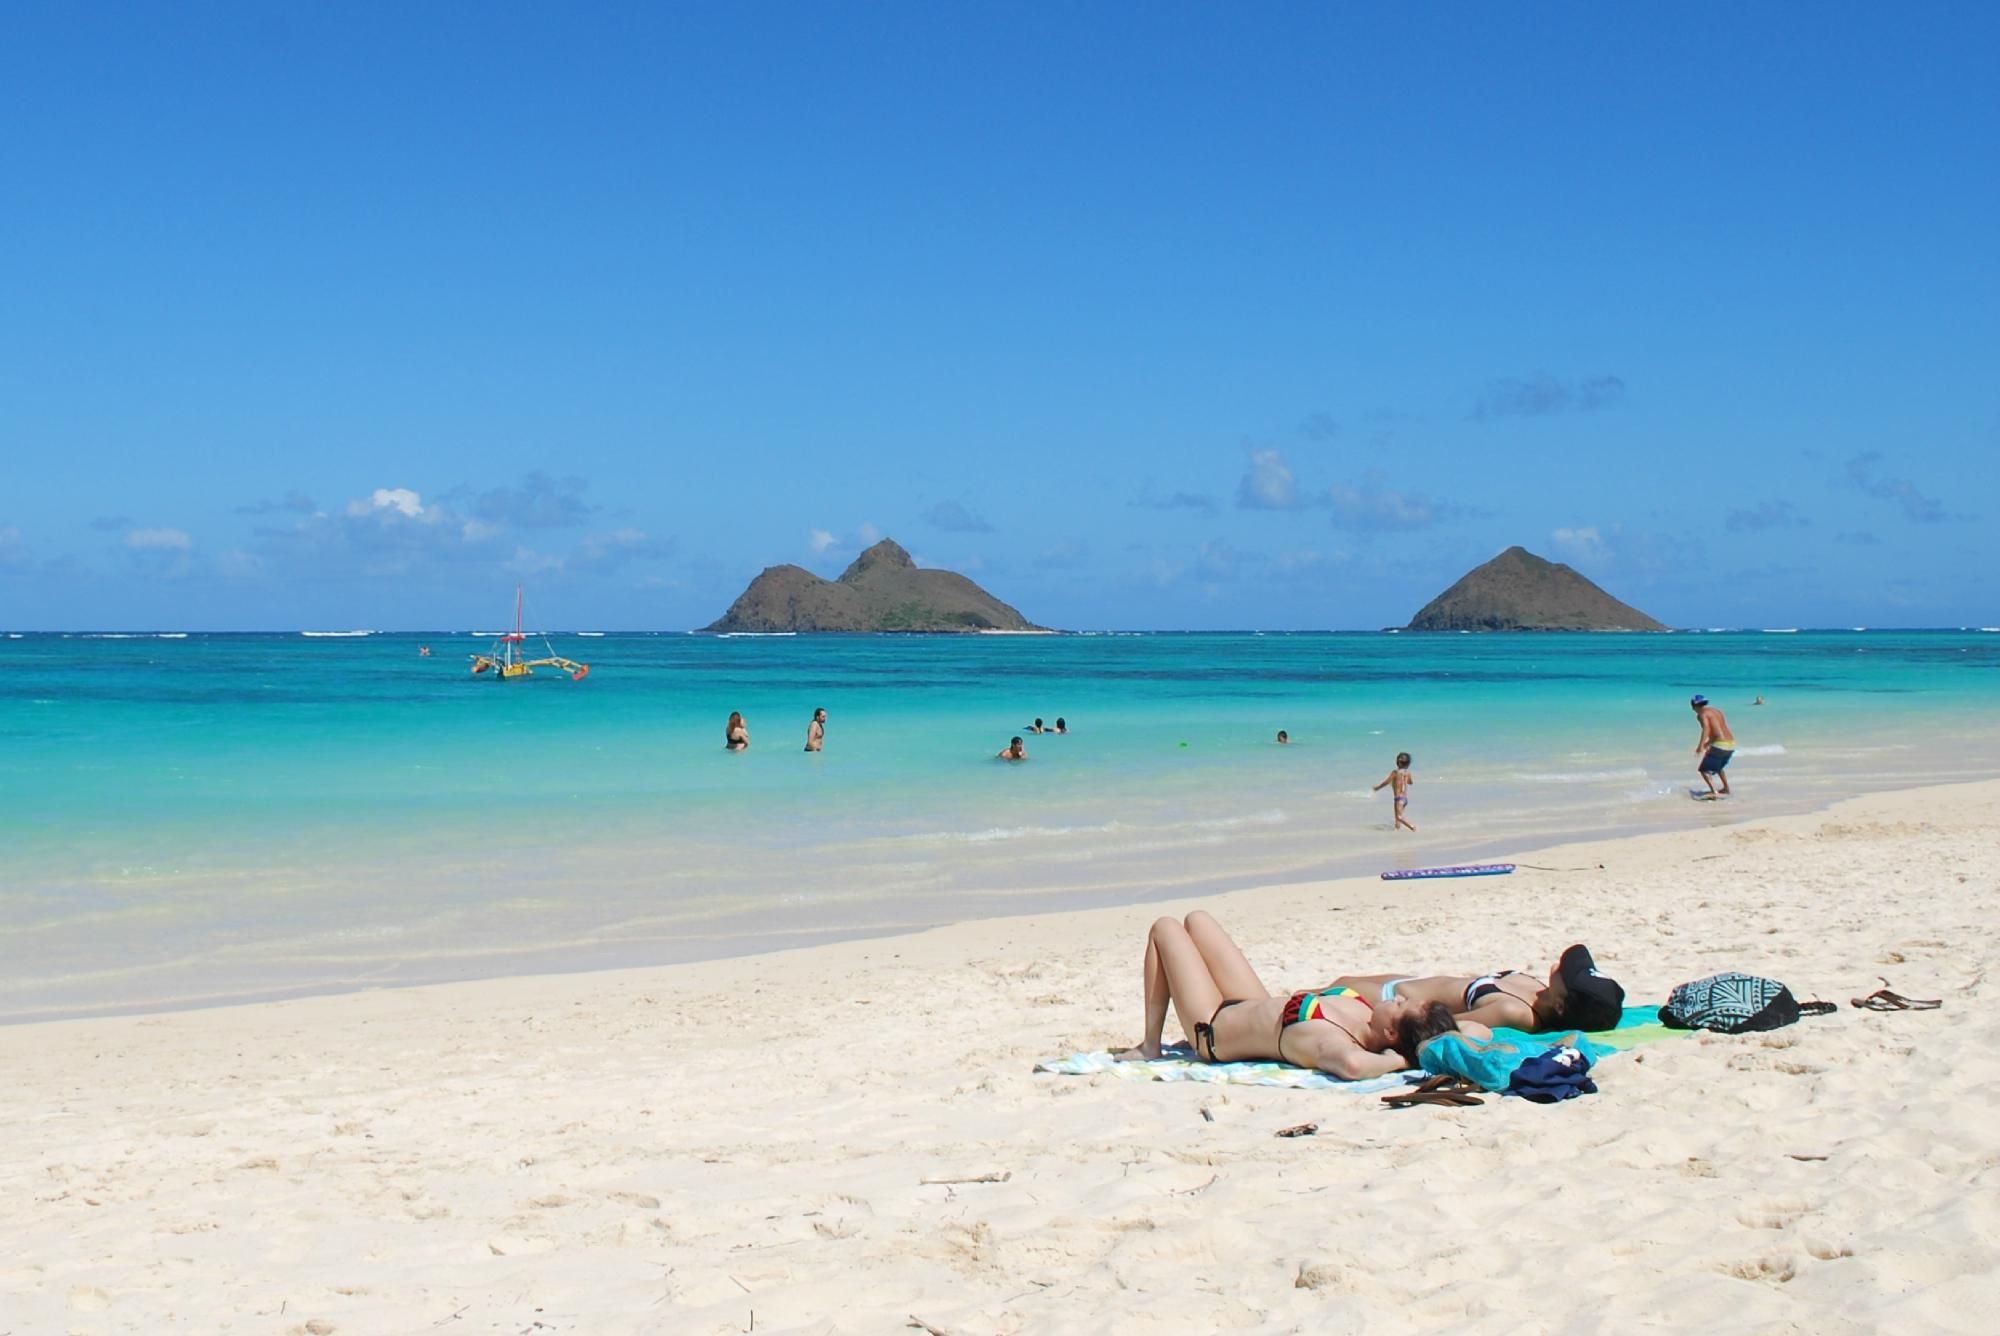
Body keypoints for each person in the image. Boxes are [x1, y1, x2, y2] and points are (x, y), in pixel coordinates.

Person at [1114, 912, 1457, 1079]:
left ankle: (1150, 1045)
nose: (1396, 998)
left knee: (1164, 928)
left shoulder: (1338, 1043)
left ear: (1391, 1034)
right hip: (1249, 1003)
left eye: (1400, 1006)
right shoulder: (1366, 1013)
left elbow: (1353, 1066)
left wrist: (1403, 1060)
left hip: (1213, 1027)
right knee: (1197, 920)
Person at [1333, 945, 1627, 1035]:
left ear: (1562, 1006)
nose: (1563, 967)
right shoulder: (1541, 993)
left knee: (1331, 988)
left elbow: (1445, 1026)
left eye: (1568, 974)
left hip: (1393, 999)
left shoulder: (1515, 1011)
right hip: (1407, 982)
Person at [1690, 694, 1735, 798]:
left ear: (1694, 705)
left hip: (1720, 744)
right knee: (1718, 767)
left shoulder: (1702, 714)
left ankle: (1714, 792)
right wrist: (1708, 743)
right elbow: (1719, 729)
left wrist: (1700, 746)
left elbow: (1707, 729)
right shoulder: (1716, 711)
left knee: (1703, 770)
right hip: (1731, 742)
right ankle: (1726, 788)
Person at [1374, 752, 1416, 831]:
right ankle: (1397, 833)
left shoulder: (1395, 772)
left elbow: (1386, 782)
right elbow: (1411, 782)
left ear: (1398, 762)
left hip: (1398, 798)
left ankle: (1412, 827)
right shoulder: (1407, 773)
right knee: (1397, 821)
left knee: (1398, 817)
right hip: (1405, 799)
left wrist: (1378, 788)